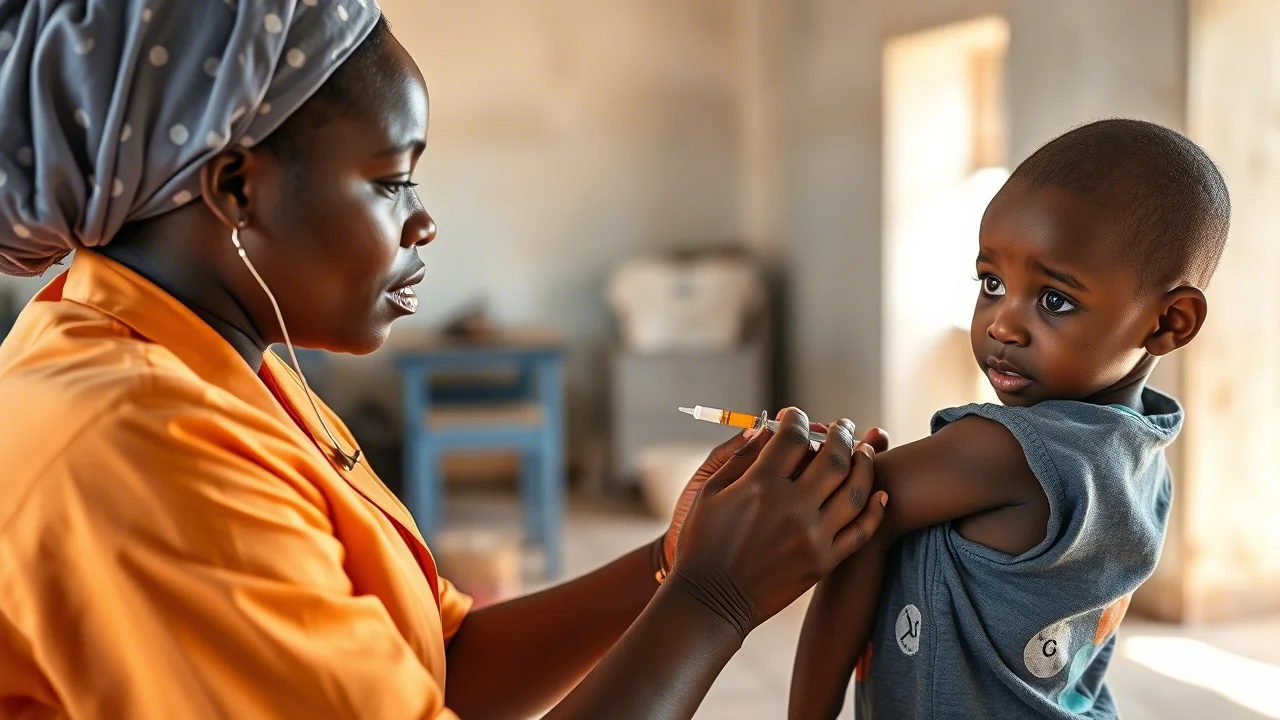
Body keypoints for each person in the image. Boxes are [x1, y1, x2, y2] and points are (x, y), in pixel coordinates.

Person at [0, 3, 891, 719]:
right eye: (391, 180)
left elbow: (434, 663)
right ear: (237, 187)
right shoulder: (140, 451)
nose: (423, 222)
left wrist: (672, 554)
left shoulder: (203, 358)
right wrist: (715, 599)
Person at [789, 119, 1231, 719]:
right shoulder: (1142, 456)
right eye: (991, 283)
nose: (1002, 325)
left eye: (1055, 300)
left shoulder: (1002, 451)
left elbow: (854, 517)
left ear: (1168, 322)